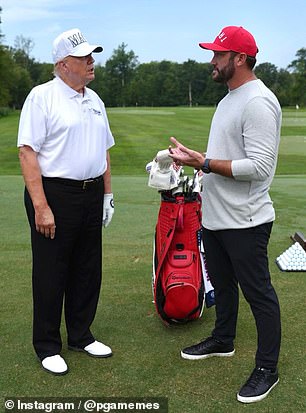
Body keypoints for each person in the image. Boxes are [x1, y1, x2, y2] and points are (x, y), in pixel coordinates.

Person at [169, 26, 281, 404]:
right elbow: (226, 157)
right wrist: (197, 161)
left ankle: (267, 368)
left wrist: (207, 162)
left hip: (246, 220)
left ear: (240, 58)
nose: (212, 61)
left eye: (218, 54)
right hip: (216, 217)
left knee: (259, 295)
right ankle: (223, 340)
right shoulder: (229, 99)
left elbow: (261, 167)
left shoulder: (258, 102)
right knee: (223, 285)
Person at [17, 28, 115, 375]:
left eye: (91, 55)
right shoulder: (42, 97)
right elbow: (27, 152)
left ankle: (81, 335)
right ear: (63, 65)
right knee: (51, 270)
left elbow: (102, 151)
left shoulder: (94, 99)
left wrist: (107, 194)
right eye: (83, 57)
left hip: (90, 194)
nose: (91, 62)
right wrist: (41, 206)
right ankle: (46, 345)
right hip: (55, 193)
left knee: (88, 268)